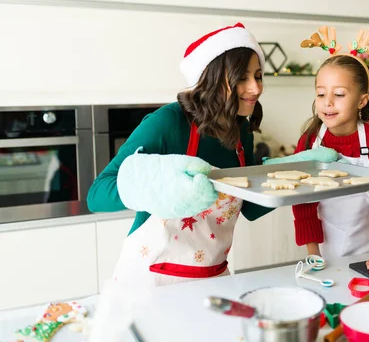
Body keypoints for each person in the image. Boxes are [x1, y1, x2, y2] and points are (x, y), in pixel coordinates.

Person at [86, 23, 277, 287]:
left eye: (258, 76)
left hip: (213, 276)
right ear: (212, 77)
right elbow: (97, 195)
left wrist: (295, 174)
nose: (256, 88)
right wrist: (163, 187)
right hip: (151, 280)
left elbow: (252, 207)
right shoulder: (168, 122)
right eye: (242, 78)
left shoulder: (241, 129)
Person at [291, 27, 369, 279]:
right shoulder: (311, 140)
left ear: (362, 100)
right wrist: (312, 251)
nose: (327, 102)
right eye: (321, 93)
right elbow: (302, 200)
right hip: (323, 253)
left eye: (339, 94)